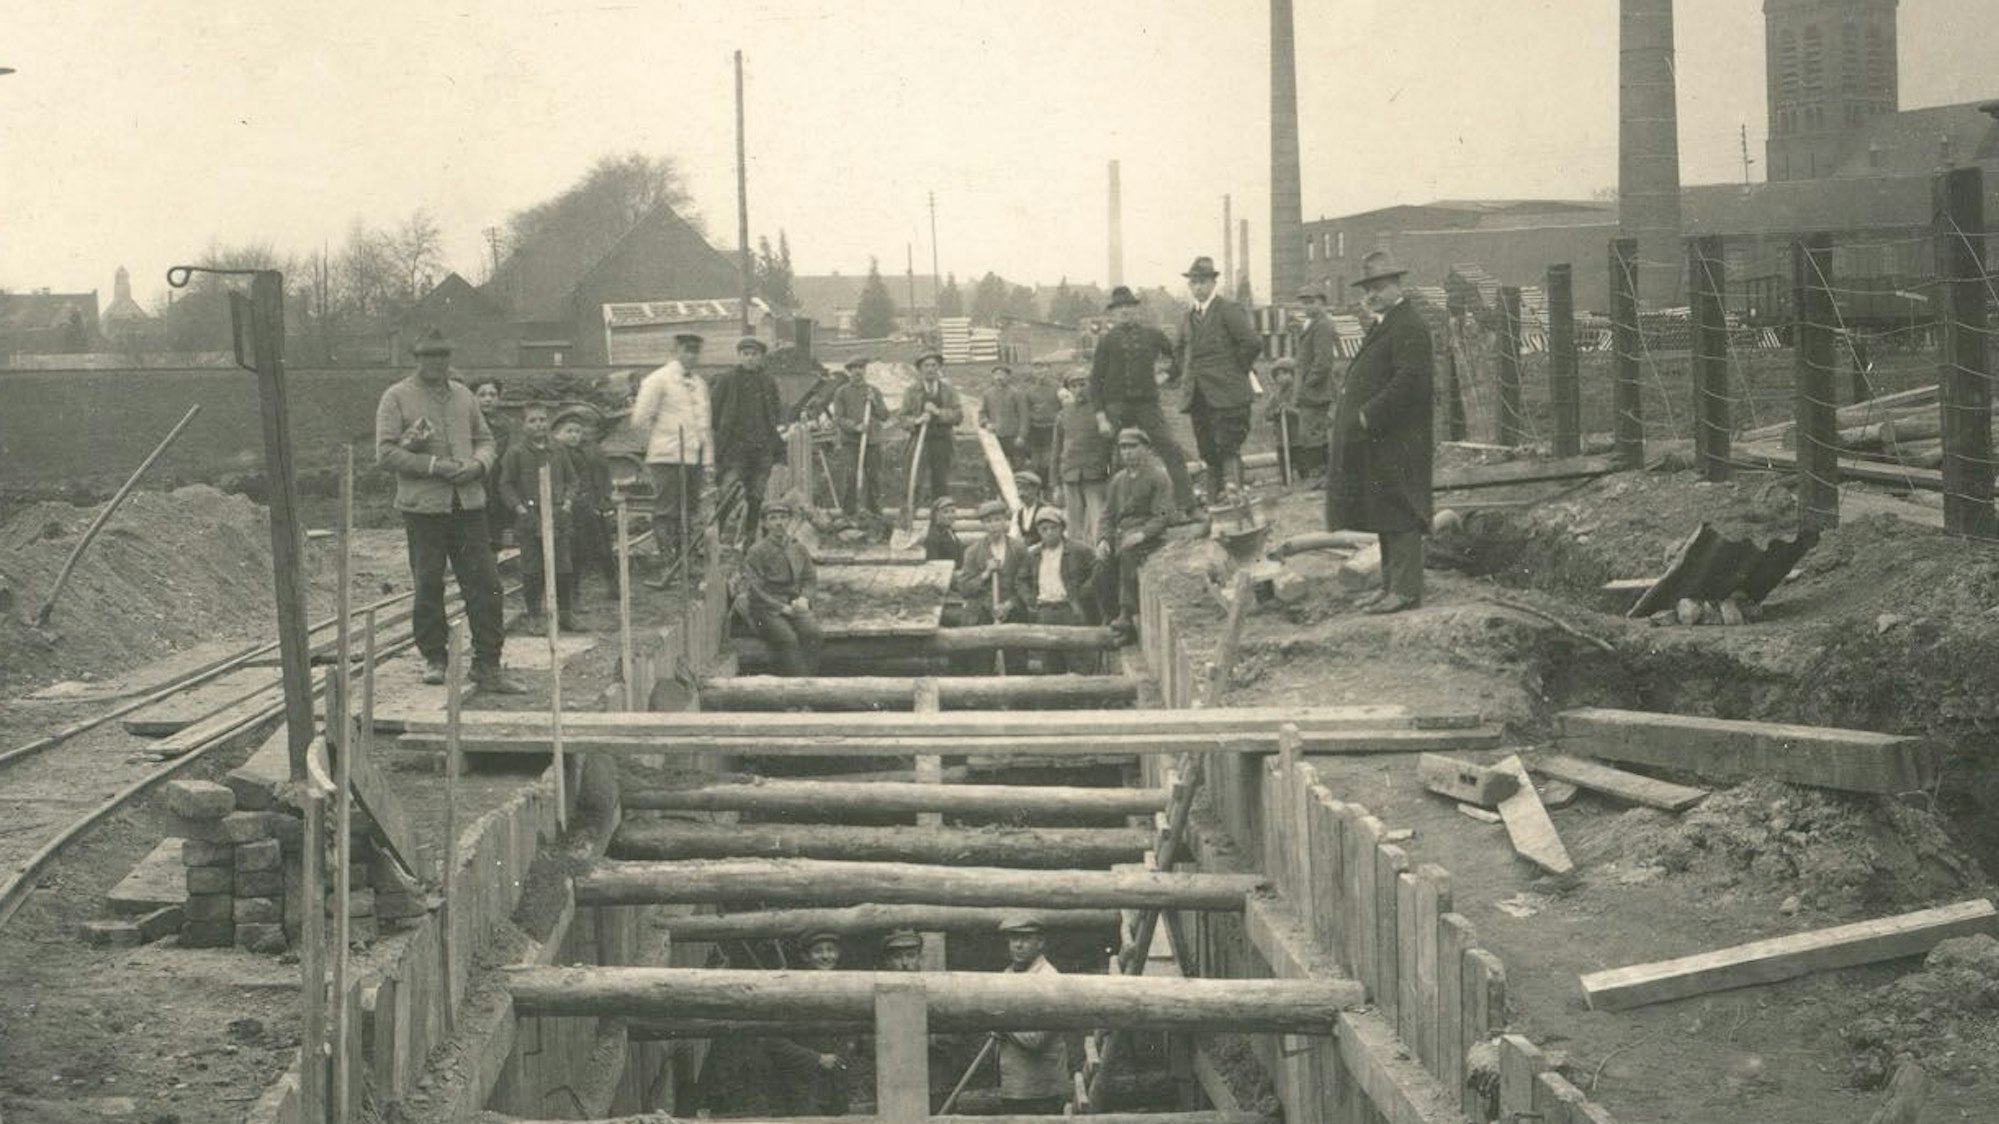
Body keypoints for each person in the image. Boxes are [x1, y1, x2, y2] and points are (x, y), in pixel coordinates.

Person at [373, 329, 524, 693]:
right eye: (428, 356)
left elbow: (486, 440)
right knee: (428, 583)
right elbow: (385, 453)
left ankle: (487, 665)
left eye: (442, 356)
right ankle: (434, 658)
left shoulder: (465, 397)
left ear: (449, 358)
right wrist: (434, 466)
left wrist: (479, 465)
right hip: (424, 508)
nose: (436, 363)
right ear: (417, 358)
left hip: (469, 505)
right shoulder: (396, 397)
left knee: (486, 585)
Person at [1327, 251, 1434, 615]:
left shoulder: (1409, 325)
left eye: (1380, 287)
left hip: (1400, 437)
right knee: (1386, 509)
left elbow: (1408, 382)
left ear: (1398, 286)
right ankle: (1390, 585)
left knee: (1402, 509)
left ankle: (1405, 591)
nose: (1372, 294)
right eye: (1368, 288)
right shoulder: (1387, 322)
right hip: (1384, 437)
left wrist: (1368, 416)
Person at [1089, 286, 1194, 512]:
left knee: (1171, 449)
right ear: (1113, 314)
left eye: (1129, 306)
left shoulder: (1152, 335)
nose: (1125, 311)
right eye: (1119, 308)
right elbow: (1095, 382)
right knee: (1112, 459)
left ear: (1137, 309)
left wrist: (1167, 375)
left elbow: (1180, 356)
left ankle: (1187, 505)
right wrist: (1101, 418)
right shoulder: (1107, 341)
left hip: (1148, 405)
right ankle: (1117, 514)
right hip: (1116, 407)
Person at [1174, 255, 1263, 502]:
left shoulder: (1227, 309)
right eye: (1193, 283)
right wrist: (1188, 372)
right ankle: (1214, 504)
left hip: (1228, 395)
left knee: (1228, 447)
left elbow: (1251, 343)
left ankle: (1235, 499)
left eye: (1202, 282)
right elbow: (1179, 349)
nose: (1198, 287)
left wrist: (1234, 371)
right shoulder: (1188, 315)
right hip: (1199, 396)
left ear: (1213, 283)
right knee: (1208, 451)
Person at [631, 332, 713, 587]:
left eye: (696, 351)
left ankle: (685, 562)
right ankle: (668, 562)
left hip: (693, 457)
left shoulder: (699, 383)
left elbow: (704, 424)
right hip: (667, 456)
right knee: (667, 510)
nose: (692, 355)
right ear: (675, 350)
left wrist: (707, 459)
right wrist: (655, 446)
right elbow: (639, 419)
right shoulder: (658, 380)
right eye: (687, 350)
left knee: (689, 510)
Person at [496, 402, 584, 633]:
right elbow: (505, 485)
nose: (538, 425)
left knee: (563, 566)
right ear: (524, 425)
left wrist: (566, 502)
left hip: (558, 516)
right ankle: (535, 616)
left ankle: (566, 613)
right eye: (533, 421)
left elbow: (573, 480)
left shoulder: (558, 450)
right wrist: (520, 509)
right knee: (533, 569)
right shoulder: (516, 452)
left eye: (542, 420)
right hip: (530, 518)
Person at [1096, 428, 1174, 644]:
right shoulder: (1118, 480)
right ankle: (1111, 616)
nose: (1127, 452)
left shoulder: (1158, 476)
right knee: (1100, 569)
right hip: (1121, 536)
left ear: (1145, 448)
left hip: (1148, 537)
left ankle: (1126, 613)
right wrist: (1103, 540)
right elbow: (1107, 515)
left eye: (1132, 447)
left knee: (1129, 557)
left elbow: (1163, 515)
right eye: (1123, 448)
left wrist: (1142, 534)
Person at [769, 930, 854, 1115]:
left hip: (835, 1087)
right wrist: (816, 1059)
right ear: (805, 957)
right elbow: (775, 1042)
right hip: (802, 1087)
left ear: (838, 954)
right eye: (818, 951)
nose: (825, 956)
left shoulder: (846, 988)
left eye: (830, 950)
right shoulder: (792, 990)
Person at [992, 915, 1070, 1115]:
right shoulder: (1006, 976)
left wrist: (1001, 1023)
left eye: (1025, 938)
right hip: (1013, 1086)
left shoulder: (1050, 979)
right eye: (1013, 938)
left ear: (1041, 942)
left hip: (1041, 1091)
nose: (1018, 945)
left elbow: (1036, 1039)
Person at [736, 498, 823, 676]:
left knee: (813, 633)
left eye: (783, 517)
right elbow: (755, 589)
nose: (779, 523)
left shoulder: (798, 549)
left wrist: (805, 598)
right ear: (765, 523)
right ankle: (798, 689)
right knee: (787, 639)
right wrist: (782, 608)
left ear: (789, 520)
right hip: (766, 609)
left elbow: (809, 579)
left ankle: (811, 682)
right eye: (773, 518)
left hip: (794, 605)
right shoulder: (757, 551)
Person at [712, 336, 786, 539]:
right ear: (739, 356)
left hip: (761, 451)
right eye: (746, 354)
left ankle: (750, 539)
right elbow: (714, 413)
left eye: (754, 354)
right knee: (726, 492)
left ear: (760, 357)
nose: (750, 358)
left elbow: (776, 413)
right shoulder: (727, 380)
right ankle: (714, 539)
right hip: (735, 451)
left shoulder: (768, 382)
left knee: (756, 496)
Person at [1014, 507, 1100, 673]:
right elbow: (1021, 580)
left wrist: (1083, 593)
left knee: (1078, 658)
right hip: (1045, 611)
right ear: (1038, 531)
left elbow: (1098, 569)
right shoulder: (1033, 554)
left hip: (1071, 610)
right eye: (1044, 529)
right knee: (1050, 661)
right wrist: (1030, 599)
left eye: (1054, 528)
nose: (1049, 533)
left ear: (1062, 529)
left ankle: (1083, 696)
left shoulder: (1079, 550)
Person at [553, 408, 618, 597]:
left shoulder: (589, 452)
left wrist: (603, 500)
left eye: (577, 431)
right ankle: (573, 591)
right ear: (557, 434)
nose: (574, 436)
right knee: (574, 550)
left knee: (603, 546)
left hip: (590, 506)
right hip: (569, 508)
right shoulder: (557, 454)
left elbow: (600, 478)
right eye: (569, 431)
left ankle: (613, 584)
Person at [1052, 370, 1111, 541]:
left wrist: (1111, 473)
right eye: (1074, 386)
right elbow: (1056, 450)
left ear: (1091, 386)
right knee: (1074, 526)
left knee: (1097, 522)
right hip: (1070, 474)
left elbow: (1111, 446)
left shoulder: (1101, 412)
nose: (1078, 389)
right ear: (1068, 389)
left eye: (1082, 385)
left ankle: (1099, 559)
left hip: (1095, 474)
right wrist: (1055, 483)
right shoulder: (1063, 414)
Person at [900, 351, 963, 508]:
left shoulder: (948, 391)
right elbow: (902, 418)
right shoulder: (911, 391)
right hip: (919, 442)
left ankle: (940, 520)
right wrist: (917, 420)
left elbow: (958, 416)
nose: (930, 369)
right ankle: (908, 520)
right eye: (926, 365)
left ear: (939, 368)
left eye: (934, 365)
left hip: (942, 442)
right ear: (920, 369)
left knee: (940, 481)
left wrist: (938, 412)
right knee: (913, 480)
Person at [830, 357, 889, 517]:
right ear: (849, 371)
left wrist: (874, 402)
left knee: (874, 479)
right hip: (851, 443)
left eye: (861, 368)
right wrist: (855, 426)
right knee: (850, 478)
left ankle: (875, 515)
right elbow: (838, 418)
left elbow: (884, 416)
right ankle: (849, 515)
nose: (858, 371)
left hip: (872, 442)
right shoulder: (841, 392)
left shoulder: (873, 391)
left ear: (865, 370)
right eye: (854, 368)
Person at [1293, 284, 1339, 482]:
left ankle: (1319, 474)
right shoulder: (1313, 323)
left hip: (1315, 390)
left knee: (1312, 433)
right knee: (1311, 432)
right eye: (1304, 303)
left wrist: (1307, 384)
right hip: (1312, 390)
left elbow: (1323, 362)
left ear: (1323, 302)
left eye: (1312, 302)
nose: (1307, 307)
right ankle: (1320, 474)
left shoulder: (1322, 324)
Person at [467, 376, 514, 553]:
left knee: (496, 529)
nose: (488, 399)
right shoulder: (466, 423)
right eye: (482, 395)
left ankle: (492, 566)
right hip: (474, 477)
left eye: (493, 395)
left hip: (497, 481)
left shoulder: (504, 424)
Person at [983, 364, 1030, 468]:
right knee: (994, 466)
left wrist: (1021, 436)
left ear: (1008, 377)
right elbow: (982, 413)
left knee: (1017, 465)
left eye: (1002, 375)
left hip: (1012, 437)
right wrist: (986, 423)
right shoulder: (987, 394)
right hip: (995, 437)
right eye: (996, 375)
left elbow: (1024, 417)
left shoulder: (1016, 393)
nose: (999, 378)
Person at [1265, 359, 1304, 482]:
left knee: (1302, 465)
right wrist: (1275, 412)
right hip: (1282, 439)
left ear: (1292, 375)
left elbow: (1304, 413)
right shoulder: (1275, 396)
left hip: (1298, 439)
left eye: (1283, 374)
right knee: (1284, 468)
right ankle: (1286, 484)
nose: (1279, 378)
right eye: (1277, 376)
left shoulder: (1298, 393)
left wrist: (1290, 410)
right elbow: (1267, 414)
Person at [1023, 368, 1064, 485]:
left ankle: (1052, 484)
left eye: (1042, 368)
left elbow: (1064, 406)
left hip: (1052, 427)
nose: (1039, 372)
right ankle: (1038, 486)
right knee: (1036, 460)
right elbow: (1026, 410)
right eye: (1036, 369)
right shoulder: (1029, 390)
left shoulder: (1057, 388)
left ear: (1047, 369)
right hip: (1035, 428)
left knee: (1051, 457)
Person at [1009, 471, 1056, 541]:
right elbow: (1013, 536)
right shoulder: (1018, 513)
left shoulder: (1046, 509)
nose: (1021, 493)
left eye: (1026, 489)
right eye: (1019, 489)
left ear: (1035, 490)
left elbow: (1051, 536)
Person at [922, 495, 964, 568]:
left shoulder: (950, 531)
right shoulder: (934, 536)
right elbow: (933, 564)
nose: (951, 515)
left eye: (953, 511)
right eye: (945, 512)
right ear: (936, 515)